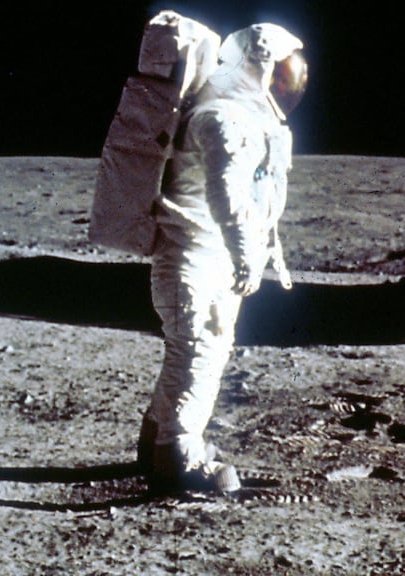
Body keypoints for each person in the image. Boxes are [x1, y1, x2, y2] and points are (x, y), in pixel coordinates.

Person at [136, 22, 307, 493]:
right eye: (282, 77)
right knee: (200, 355)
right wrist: (245, 255)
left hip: (197, 258)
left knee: (188, 352)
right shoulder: (223, 119)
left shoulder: (227, 113)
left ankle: (156, 440)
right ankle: (179, 457)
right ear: (258, 70)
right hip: (194, 260)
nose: (289, 88)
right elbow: (226, 197)